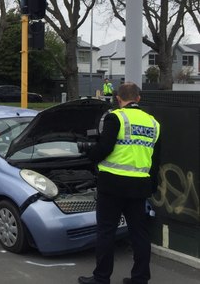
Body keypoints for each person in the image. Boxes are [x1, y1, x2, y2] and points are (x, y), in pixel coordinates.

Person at [78, 82, 161, 284]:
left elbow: (105, 147)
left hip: (112, 185)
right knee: (139, 234)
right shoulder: (153, 123)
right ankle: (140, 279)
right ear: (138, 98)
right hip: (139, 186)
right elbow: (156, 159)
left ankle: (101, 278)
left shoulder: (116, 117)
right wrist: (151, 186)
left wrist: (90, 154)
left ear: (118, 98)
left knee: (106, 232)